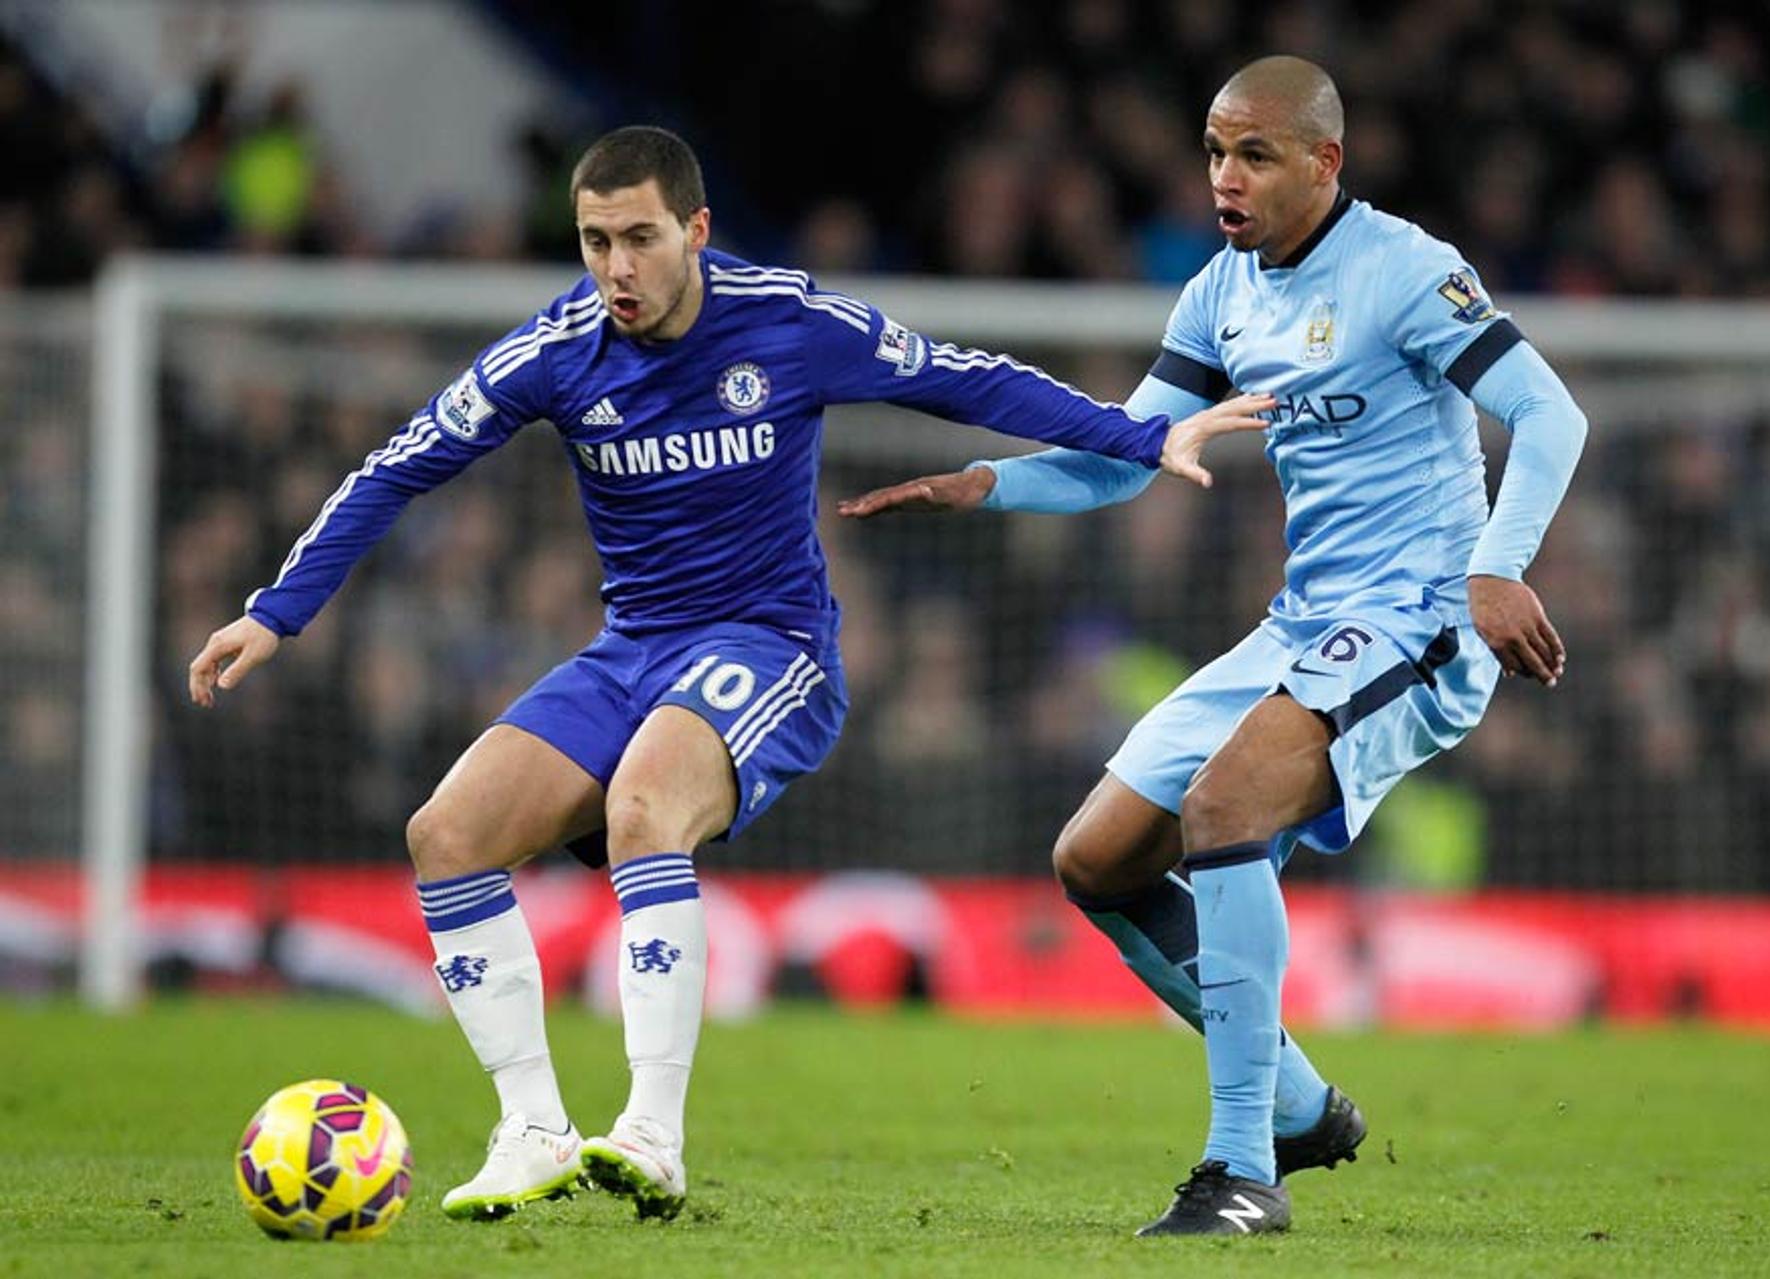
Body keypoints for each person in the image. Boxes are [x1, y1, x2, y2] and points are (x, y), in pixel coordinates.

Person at [186, 125, 1271, 1223]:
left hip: (770, 645)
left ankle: (652, 1130)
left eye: (640, 239)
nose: (616, 268)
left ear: (696, 231)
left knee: (643, 805)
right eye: (595, 241)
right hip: (631, 650)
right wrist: (276, 614)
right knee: (445, 834)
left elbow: (960, 378)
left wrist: (1140, 439)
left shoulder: (787, 322)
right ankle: (531, 1129)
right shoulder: (555, 351)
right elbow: (399, 465)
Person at [839, 56, 1587, 1237]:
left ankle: (1241, 1169)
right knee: (1095, 859)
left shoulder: (1405, 271)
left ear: (1324, 162)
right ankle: (1294, 1102)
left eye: (1254, 155)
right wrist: (985, 482)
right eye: (1213, 152)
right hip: (1307, 619)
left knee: (1228, 803)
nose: (1224, 179)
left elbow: (1551, 411)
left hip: (1423, 613)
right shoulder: (1221, 294)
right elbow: (1128, 452)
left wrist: (1497, 566)